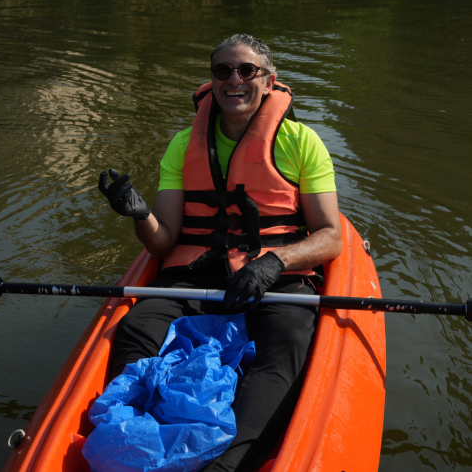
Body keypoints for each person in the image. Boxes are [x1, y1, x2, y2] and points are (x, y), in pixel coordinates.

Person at [98, 34, 342, 472]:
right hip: (196, 269)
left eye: (247, 70)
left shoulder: (302, 142)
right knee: (136, 327)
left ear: (269, 81)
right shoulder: (181, 145)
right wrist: (138, 214)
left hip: (275, 277)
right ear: (210, 81)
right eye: (222, 71)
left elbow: (330, 236)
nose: (234, 79)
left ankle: (228, 463)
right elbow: (162, 242)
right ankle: (133, 436)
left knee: (287, 343)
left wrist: (275, 262)